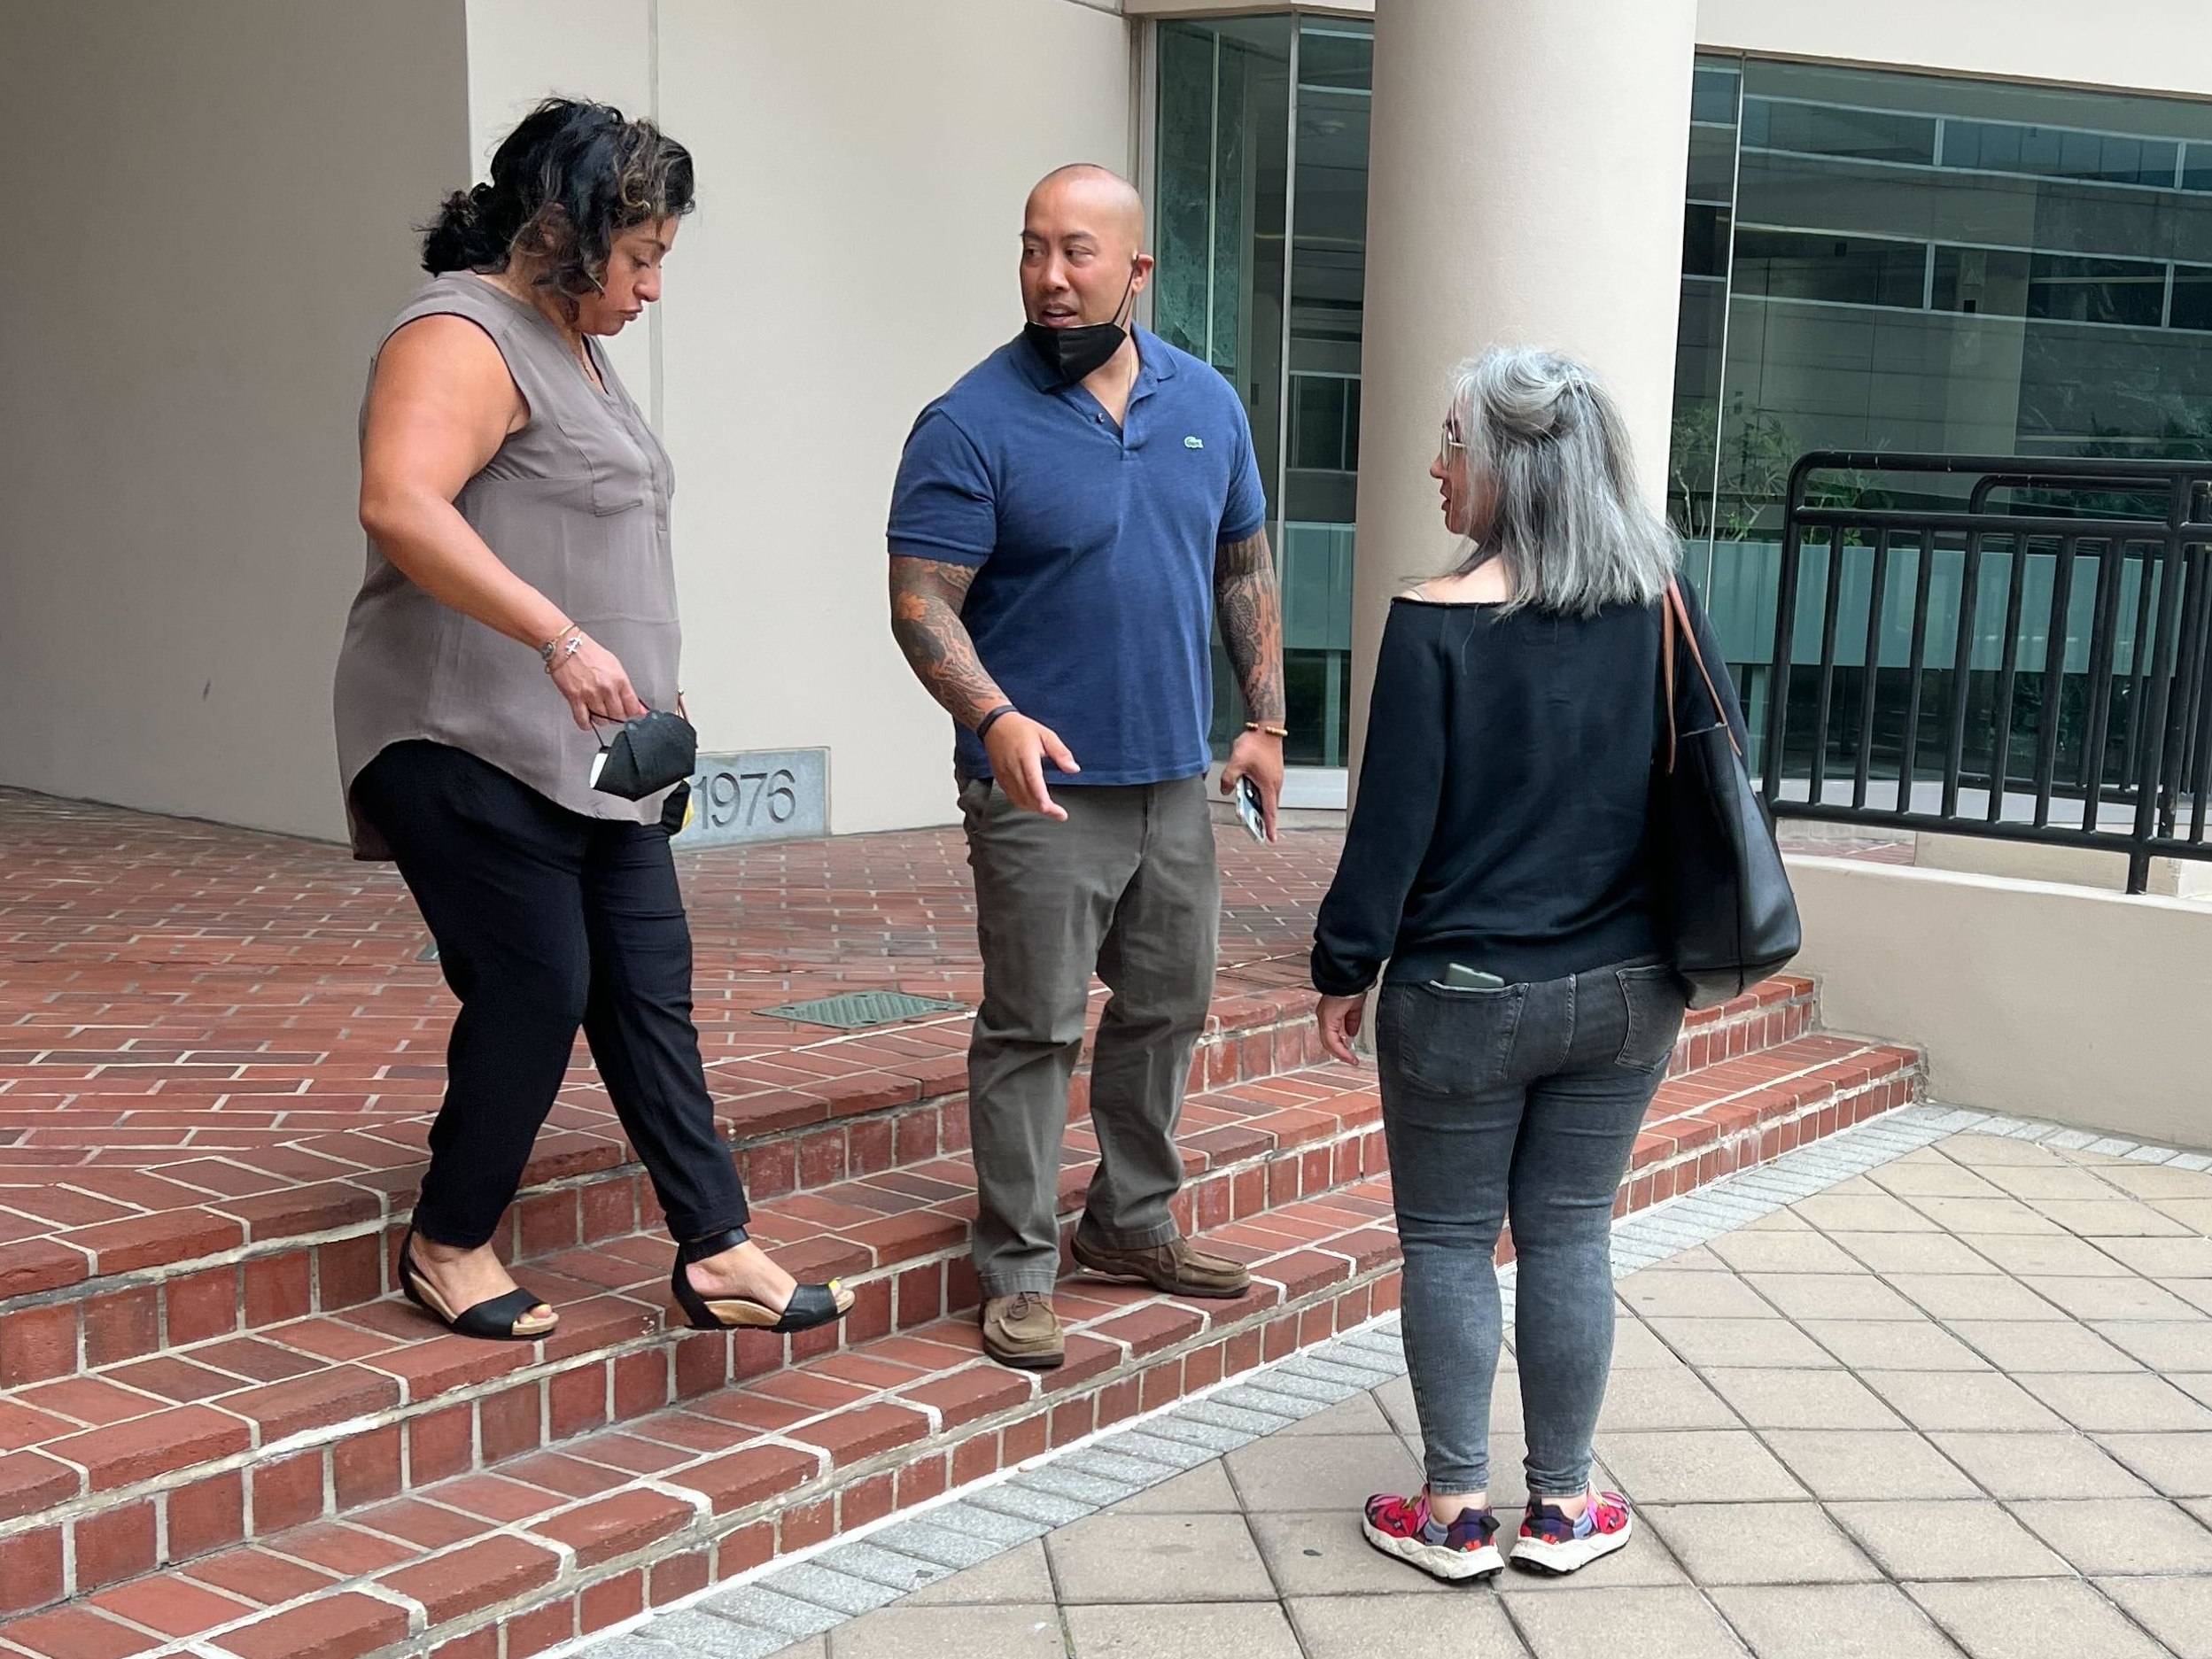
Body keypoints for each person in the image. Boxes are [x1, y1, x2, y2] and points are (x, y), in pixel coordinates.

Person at [334, 99, 850, 1343]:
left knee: (646, 986)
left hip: (596, 753)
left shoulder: (573, 345)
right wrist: (559, 636)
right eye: (642, 255)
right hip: (460, 730)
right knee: (539, 981)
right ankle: (448, 1237)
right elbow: (401, 505)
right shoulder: (461, 334)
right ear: (563, 232)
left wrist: (655, 684)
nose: (654, 285)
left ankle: (716, 1243)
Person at [1310, 346, 1745, 1580]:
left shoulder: (1431, 620)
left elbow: (1389, 826)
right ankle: (1562, 1507)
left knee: (1449, 1242)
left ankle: (1454, 1512)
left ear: (1511, 463)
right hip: (1625, 991)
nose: (1435, 465)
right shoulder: (1659, 599)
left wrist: (1344, 963)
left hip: (1459, 999)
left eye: (1453, 442)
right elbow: (1704, 779)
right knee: (1567, 1235)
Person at [886, 165, 1285, 1370]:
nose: (1049, 278)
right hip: (1039, 790)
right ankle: (1014, 1260)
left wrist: (1263, 722)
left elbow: (1244, 570)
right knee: (1033, 1025)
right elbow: (919, 606)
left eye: (1076, 252)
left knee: (1168, 1005)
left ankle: (1130, 1220)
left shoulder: (1205, 401)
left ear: (1135, 270)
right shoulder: (968, 421)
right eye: (1029, 251)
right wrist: (995, 716)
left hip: (1171, 776)